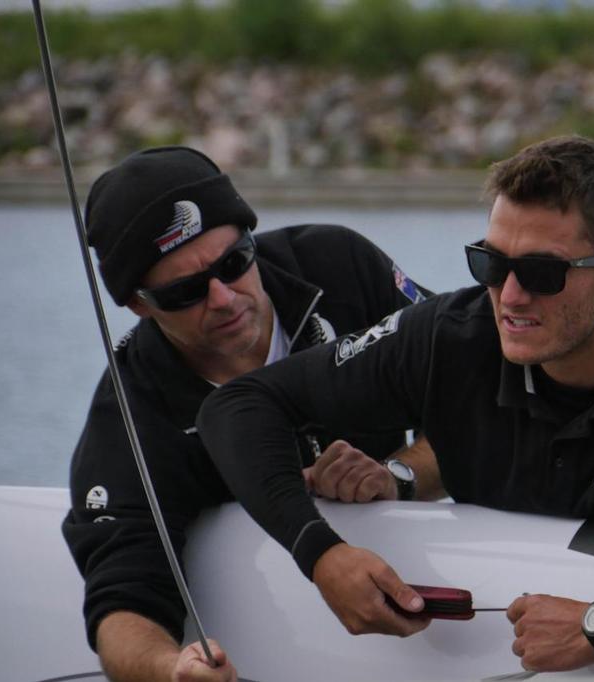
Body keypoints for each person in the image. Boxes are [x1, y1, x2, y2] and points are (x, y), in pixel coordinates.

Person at [196, 135, 594, 671]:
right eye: (490, 264)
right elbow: (238, 407)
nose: (508, 296)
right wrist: (322, 552)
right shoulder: (448, 337)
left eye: (542, 273)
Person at [61, 146, 436, 682]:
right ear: (139, 304)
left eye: (235, 262)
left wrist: (398, 476)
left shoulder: (340, 265)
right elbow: (121, 605)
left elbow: (478, 397)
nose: (223, 298)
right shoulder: (129, 420)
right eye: (186, 291)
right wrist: (171, 669)